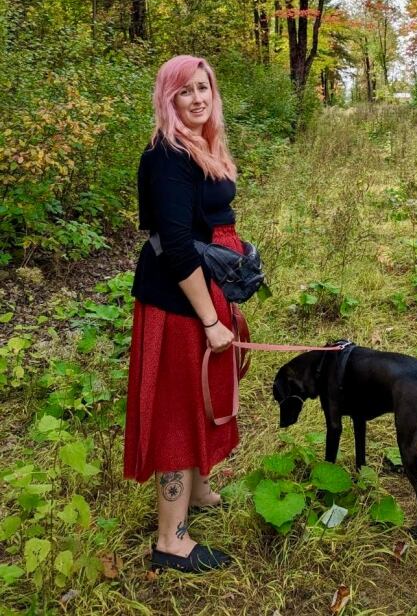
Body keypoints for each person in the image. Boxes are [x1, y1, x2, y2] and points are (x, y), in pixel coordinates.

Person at [124, 55, 241, 573]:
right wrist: (210, 320)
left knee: (203, 391)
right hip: (179, 300)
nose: (197, 99)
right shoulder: (168, 155)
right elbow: (173, 245)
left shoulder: (201, 146)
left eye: (203, 89)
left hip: (207, 286)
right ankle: (170, 540)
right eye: (184, 92)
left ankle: (194, 490)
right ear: (166, 99)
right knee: (177, 404)